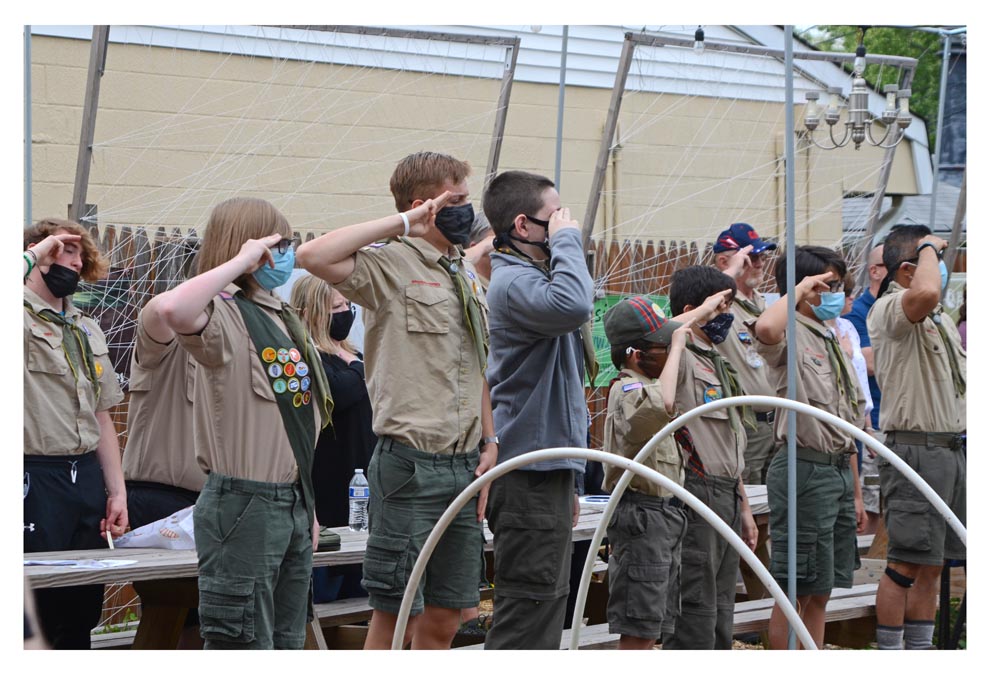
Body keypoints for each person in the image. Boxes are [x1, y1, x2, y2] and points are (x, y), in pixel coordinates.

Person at [296, 151, 497, 650]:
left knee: (449, 615)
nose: (466, 210)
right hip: (410, 465)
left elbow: (476, 363)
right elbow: (313, 256)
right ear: (422, 204)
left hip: (465, 465)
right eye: (455, 200)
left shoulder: (462, 269)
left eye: (467, 199)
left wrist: (490, 442)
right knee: (396, 613)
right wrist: (405, 224)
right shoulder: (391, 264)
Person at [156, 197, 332, 649]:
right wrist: (239, 262)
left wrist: (306, 506)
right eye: (279, 244)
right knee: (243, 643)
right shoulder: (224, 313)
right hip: (243, 504)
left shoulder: (280, 315)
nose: (288, 253)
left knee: (288, 641)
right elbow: (174, 311)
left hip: (291, 500)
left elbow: (293, 426)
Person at [478, 170, 594, 649]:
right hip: (526, 470)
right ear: (523, 226)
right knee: (527, 615)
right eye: (555, 217)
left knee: (547, 606)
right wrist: (567, 242)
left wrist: (571, 475)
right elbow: (576, 305)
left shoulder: (533, 278)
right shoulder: (513, 282)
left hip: (547, 467)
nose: (565, 224)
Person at [753, 246, 866, 649]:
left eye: (838, 285)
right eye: (827, 285)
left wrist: (855, 492)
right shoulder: (791, 332)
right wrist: (799, 289)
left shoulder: (830, 336)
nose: (836, 293)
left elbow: (846, 427)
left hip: (835, 471)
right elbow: (766, 329)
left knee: (821, 590)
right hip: (804, 468)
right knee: (795, 588)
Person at [600, 292, 727, 649]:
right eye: (663, 347)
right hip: (642, 517)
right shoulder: (629, 389)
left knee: (655, 625)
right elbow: (664, 404)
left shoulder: (649, 381)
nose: (671, 353)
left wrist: (704, 311)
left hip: (665, 517)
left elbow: (674, 331)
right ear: (635, 354)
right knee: (639, 629)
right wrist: (677, 348)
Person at [23, 219, 127, 649]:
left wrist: (116, 491)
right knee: (34, 615)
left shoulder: (86, 327)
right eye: (65, 250)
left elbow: (102, 415)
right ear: (37, 250)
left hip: (83, 479)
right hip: (34, 477)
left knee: (81, 612)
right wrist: (38, 252)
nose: (76, 261)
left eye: (80, 254)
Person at [868, 226, 965, 650]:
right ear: (907, 269)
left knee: (933, 564)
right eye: (933, 259)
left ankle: (921, 652)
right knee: (905, 563)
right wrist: (927, 245)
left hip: (950, 448)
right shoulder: (891, 306)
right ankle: (893, 654)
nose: (939, 266)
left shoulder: (939, 318)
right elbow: (924, 293)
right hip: (917, 449)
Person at [660, 265, 759, 650]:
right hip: (696, 491)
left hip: (727, 492)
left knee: (721, 607)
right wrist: (700, 313)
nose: (726, 316)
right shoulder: (677, 353)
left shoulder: (717, 360)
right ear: (693, 310)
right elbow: (655, 332)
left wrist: (744, 506)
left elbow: (728, 440)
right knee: (695, 607)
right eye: (720, 307)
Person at [290, 273, 375, 602]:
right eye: (336, 307)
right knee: (327, 589)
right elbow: (339, 393)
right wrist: (359, 369)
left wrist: (357, 366)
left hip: (363, 478)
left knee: (361, 588)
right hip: (330, 481)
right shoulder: (307, 356)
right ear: (311, 313)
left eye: (346, 305)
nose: (345, 313)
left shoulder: (352, 355)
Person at [711, 223, 778, 485]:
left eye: (763, 256)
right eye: (751, 258)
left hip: (776, 422)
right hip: (746, 422)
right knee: (748, 497)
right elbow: (702, 307)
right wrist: (731, 273)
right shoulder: (720, 304)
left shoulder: (761, 302)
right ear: (724, 261)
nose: (759, 264)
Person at [831, 273, 878, 534]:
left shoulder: (848, 327)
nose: (851, 298)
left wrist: (867, 425)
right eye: (846, 293)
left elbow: (860, 382)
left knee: (856, 485)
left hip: (858, 420)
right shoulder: (823, 331)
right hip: (837, 422)